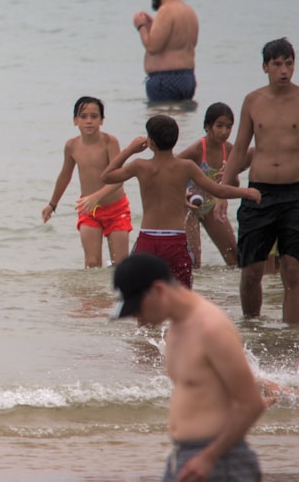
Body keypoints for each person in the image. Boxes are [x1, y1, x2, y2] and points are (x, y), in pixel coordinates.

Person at [111, 253, 265, 482]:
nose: (136, 316)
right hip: (184, 457)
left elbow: (251, 404)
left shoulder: (210, 327)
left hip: (221, 462)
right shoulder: (175, 329)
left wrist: (209, 457)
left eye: (137, 307)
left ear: (158, 291)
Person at [102, 115, 260, 288]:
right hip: (175, 242)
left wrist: (130, 150)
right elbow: (218, 190)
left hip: (147, 239)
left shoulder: (140, 166)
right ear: (175, 141)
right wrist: (247, 192)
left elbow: (107, 176)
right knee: (181, 296)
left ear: (151, 143)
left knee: (144, 296)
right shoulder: (185, 167)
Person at [221, 38, 299, 322]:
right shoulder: (253, 101)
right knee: (252, 270)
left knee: (293, 270)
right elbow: (239, 149)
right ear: (265, 66)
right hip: (258, 193)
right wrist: (223, 193)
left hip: (295, 194)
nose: (284, 70)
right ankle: (252, 328)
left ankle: (291, 342)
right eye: (277, 64)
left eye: (289, 63)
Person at [41, 96, 131, 268]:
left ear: (102, 120)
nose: (89, 121)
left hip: (116, 208)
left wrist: (96, 196)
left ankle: (118, 295)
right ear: (75, 121)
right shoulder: (72, 146)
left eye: (94, 116)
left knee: (121, 265)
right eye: (83, 116)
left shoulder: (110, 142)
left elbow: (119, 179)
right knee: (91, 263)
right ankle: (93, 295)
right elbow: (65, 176)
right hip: (89, 210)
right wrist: (52, 204)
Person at [177, 103, 239, 268]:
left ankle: (226, 292)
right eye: (219, 126)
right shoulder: (198, 149)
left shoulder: (229, 150)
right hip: (189, 207)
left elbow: (236, 185)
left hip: (212, 206)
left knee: (234, 256)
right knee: (193, 262)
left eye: (229, 127)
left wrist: (228, 176)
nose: (224, 132)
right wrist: (180, 194)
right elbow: (170, 168)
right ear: (207, 126)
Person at [133, 0, 199, 103]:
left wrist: (140, 26)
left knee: (162, 122)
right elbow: (177, 42)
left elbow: (152, 47)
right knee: (181, 121)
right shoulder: (189, 11)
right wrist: (152, 26)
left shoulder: (166, 10)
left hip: (165, 80)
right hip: (187, 78)